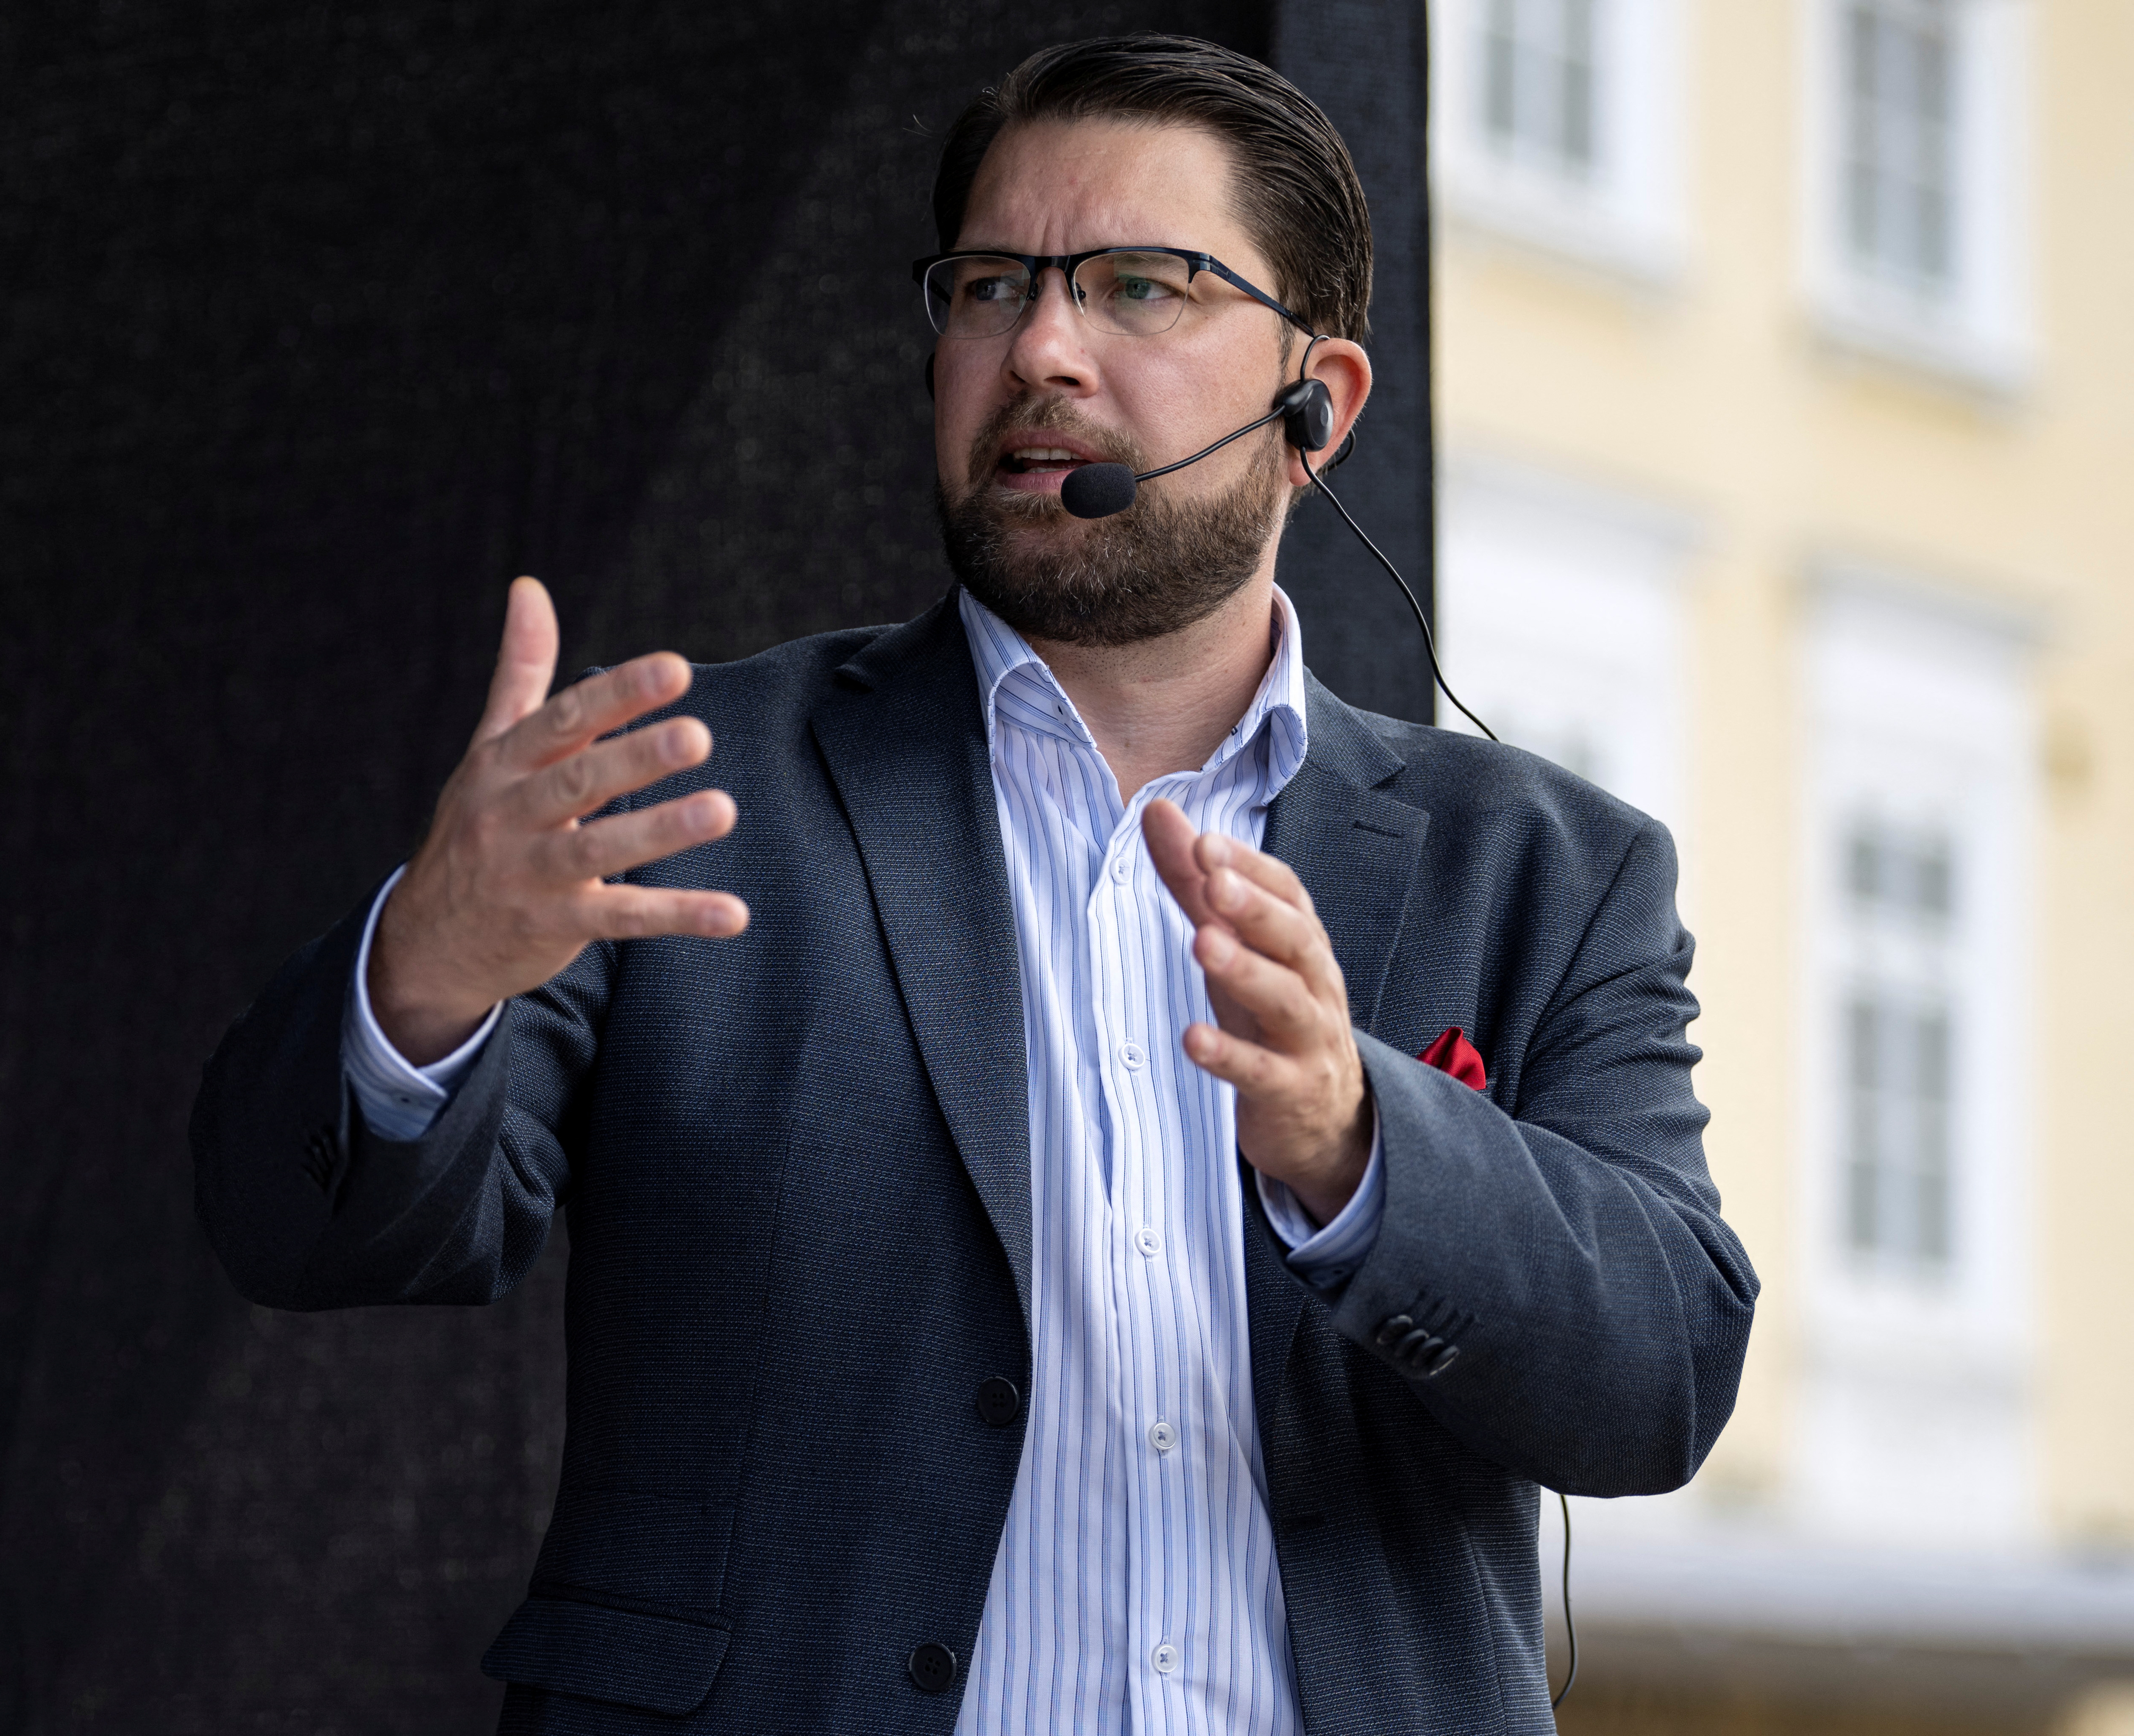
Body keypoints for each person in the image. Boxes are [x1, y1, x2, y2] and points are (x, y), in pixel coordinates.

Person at [194, 33, 1756, 1735]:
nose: (1041, 349)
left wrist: (1360, 1144)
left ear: (1320, 404)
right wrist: (424, 973)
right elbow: (309, 1223)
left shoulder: (1547, 868)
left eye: (1140, 287)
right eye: (991, 285)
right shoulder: (689, 781)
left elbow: (1662, 1372)